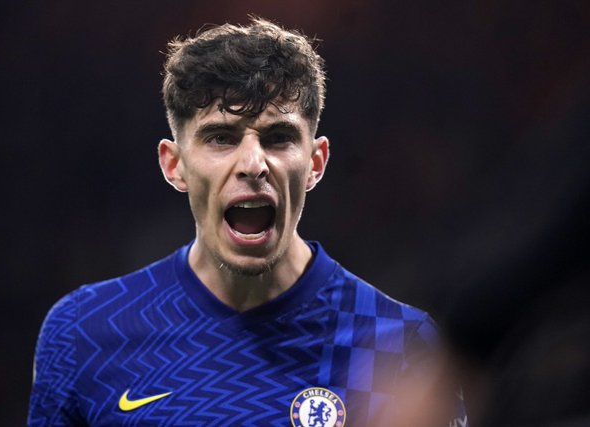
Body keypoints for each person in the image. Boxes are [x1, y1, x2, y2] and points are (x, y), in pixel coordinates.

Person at [28, 17, 468, 426]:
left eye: (278, 138)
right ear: (174, 165)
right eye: (221, 137)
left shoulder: (401, 348)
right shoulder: (85, 332)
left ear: (316, 163)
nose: (253, 164)